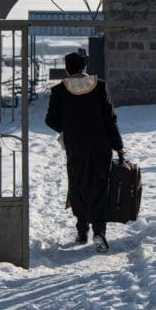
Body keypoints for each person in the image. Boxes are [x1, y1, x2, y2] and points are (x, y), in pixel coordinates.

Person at [45, 48, 124, 253]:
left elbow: (51, 120)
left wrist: (69, 127)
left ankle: (82, 230)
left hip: (75, 146)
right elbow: (110, 119)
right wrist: (118, 146)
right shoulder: (100, 87)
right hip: (100, 145)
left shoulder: (59, 90)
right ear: (86, 67)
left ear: (66, 69)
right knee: (100, 185)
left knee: (78, 184)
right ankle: (99, 231)